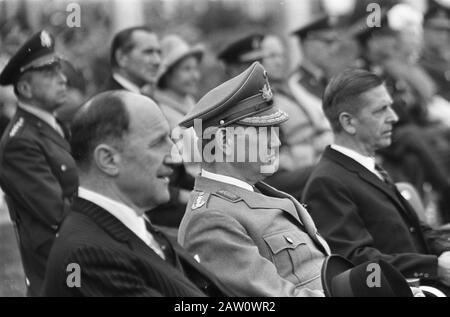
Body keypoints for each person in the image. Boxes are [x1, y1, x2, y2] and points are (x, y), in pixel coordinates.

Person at [42, 91, 232, 297]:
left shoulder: (123, 226)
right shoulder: (89, 254)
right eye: (158, 142)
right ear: (108, 160)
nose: (175, 157)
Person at [177, 62, 330, 297]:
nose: (277, 143)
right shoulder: (210, 219)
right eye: (264, 132)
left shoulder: (254, 190)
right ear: (225, 142)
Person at [302, 68, 450, 293]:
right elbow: (357, 262)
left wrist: (444, 250)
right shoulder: (327, 182)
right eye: (381, 110)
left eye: (390, 106)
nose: (394, 117)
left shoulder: (366, 167)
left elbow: (416, 230)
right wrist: (433, 267)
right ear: (349, 122)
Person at [0, 30, 79, 296]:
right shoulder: (19, 142)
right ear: (24, 88)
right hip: (60, 266)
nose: (62, 79)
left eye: (60, 71)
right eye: (50, 74)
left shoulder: (55, 125)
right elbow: (57, 213)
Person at [101, 26, 161, 98]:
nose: (157, 61)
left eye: (159, 52)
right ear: (121, 58)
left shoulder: (145, 98)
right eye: (148, 52)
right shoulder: (105, 103)